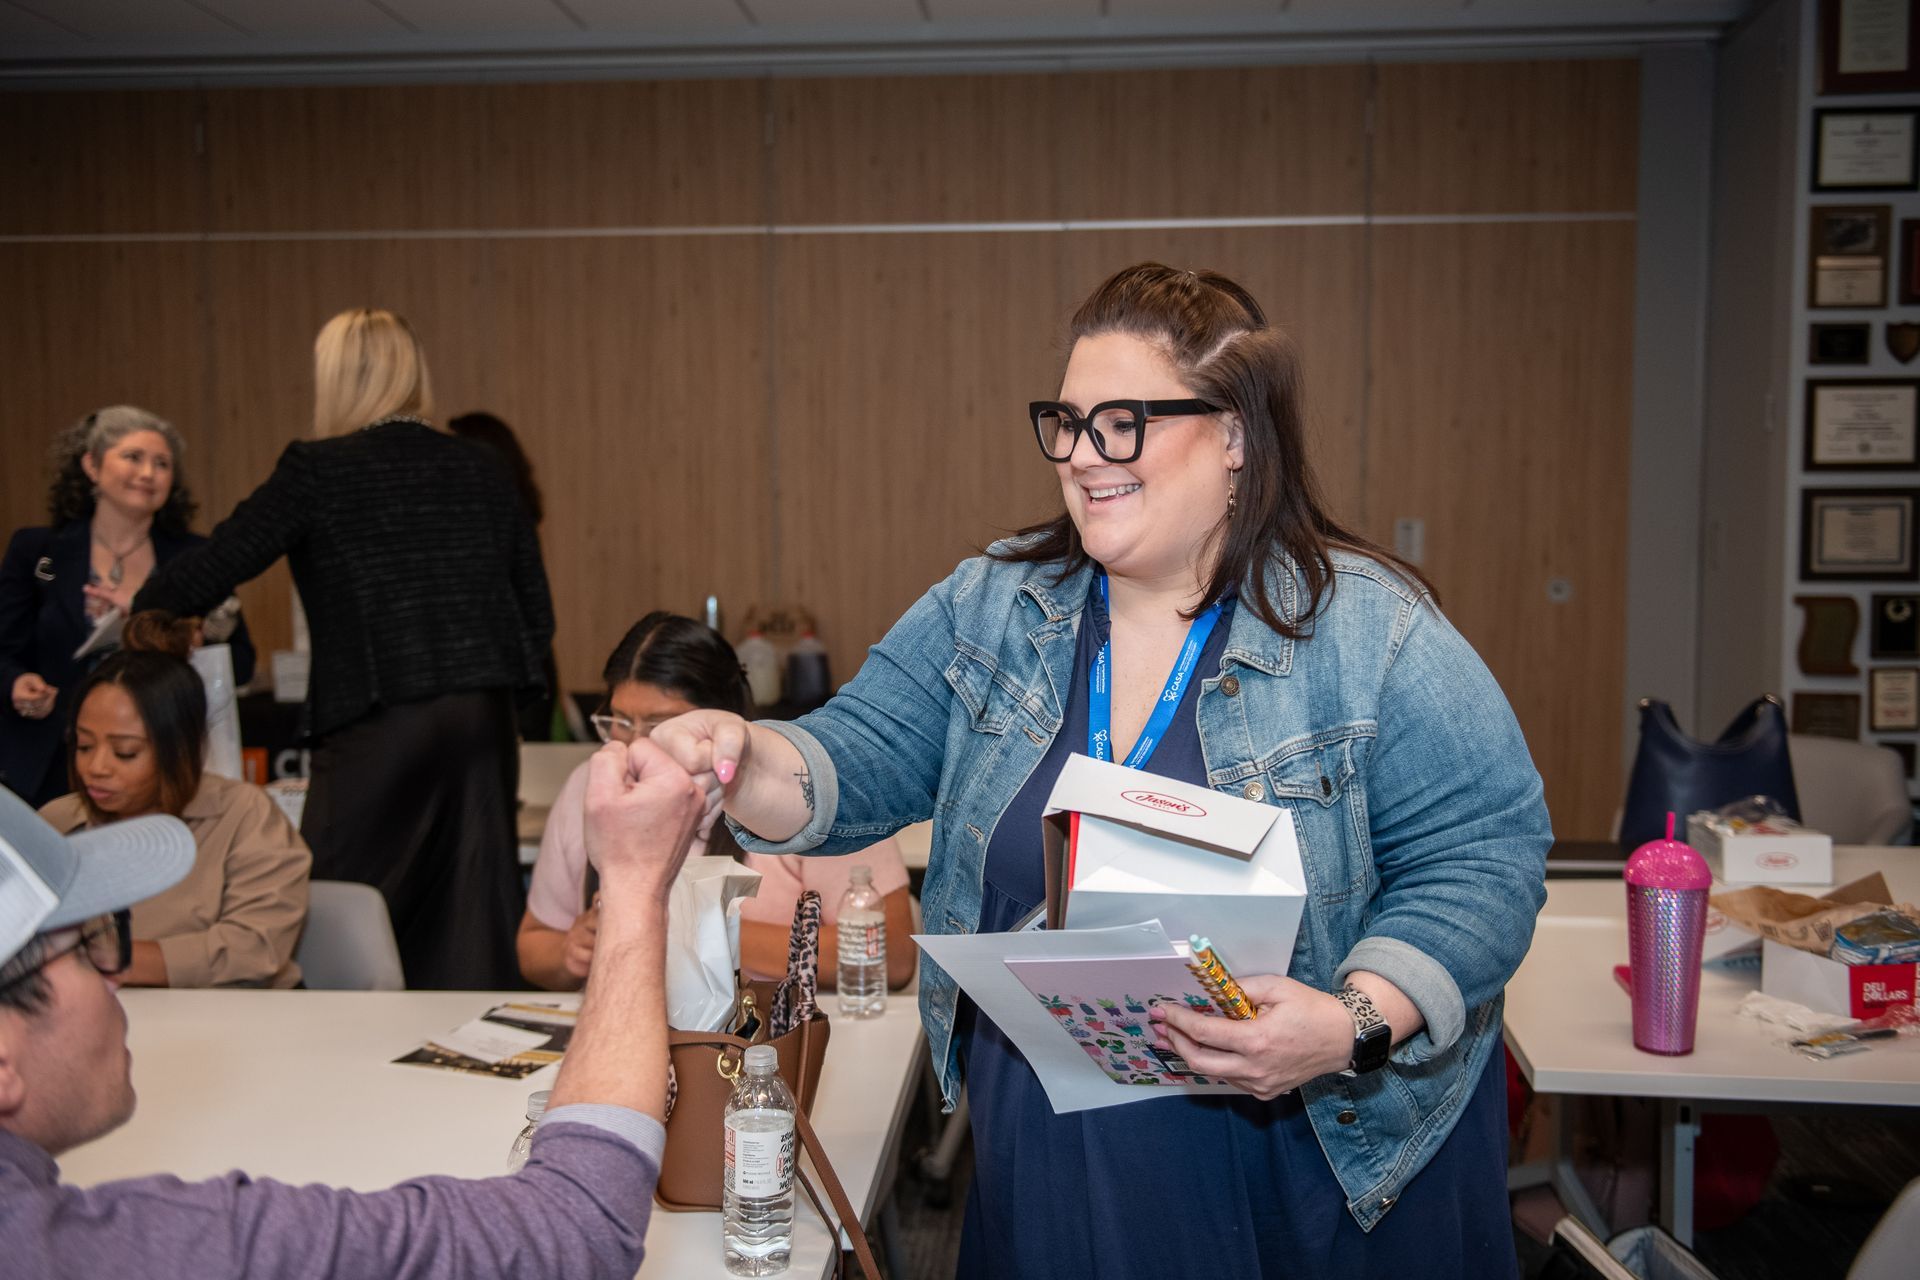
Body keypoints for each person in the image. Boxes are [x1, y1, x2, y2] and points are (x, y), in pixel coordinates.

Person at [655, 263, 1552, 1278]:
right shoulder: (994, 606)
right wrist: (740, 753)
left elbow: (1487, 855)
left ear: (1234, 438)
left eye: (1121, 422)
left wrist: (1349, 1021)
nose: (1082, 455)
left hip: (1299, 1174)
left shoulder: (1366, 630)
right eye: (1067, 423)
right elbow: (846, 757)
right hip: (1055, 1163)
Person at [0, 730, 710, 1277]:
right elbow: (572, 1229)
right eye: (88, 945)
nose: (115, 975)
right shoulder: (158, 1249)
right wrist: (635, 883)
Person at [134, 309, 555, 989]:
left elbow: (204, 573)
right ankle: (470, 1081)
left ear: (334, 378)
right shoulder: (482, 466)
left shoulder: (318, 470)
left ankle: (330, 1075)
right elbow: (536, 614)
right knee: (473, 912)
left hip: (379, 717)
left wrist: (149, 605)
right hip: (483, 717)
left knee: (337, 906)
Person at [519, 612, 915, 993]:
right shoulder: (592, 786)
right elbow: (534, 945)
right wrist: (570, 951)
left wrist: (694, 933)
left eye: (661, 727)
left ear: (722, 723)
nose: (637, 748)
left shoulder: (792, 786)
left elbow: (892, 956)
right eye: (620, 723)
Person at [36, 612, 308, 989]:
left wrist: (111, 960)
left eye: (125, 752)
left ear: (183, 748)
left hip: (236, 1024)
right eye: (83, 746)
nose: (95, 767)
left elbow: (254, 947)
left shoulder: (245, 815)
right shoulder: (57, 822)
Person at [0, 406, 255, 807]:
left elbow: (241, 661)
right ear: (92, 465)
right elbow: (5, 651)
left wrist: (169, 629)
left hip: (162, 762)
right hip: (49, 761)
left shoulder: (196, 557)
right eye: (132, 457)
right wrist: (16, 684)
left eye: (162, 464)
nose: (148, 473)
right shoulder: (36, 551)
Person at [448, 410, 562, 743]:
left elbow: (533, 613)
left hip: (513, 673)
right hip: (525, 667)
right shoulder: (516, 514)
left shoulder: (495, 523)